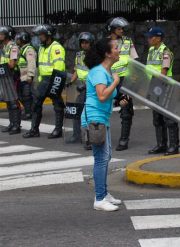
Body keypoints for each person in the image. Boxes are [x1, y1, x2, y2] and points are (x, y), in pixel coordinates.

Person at [81, 38, 124, 212]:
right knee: (101, 159)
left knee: (106, 157)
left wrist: (121, 101)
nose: (118, 50)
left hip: (101, 118)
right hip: (94, 119)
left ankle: (104, 194)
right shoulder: (100, 72)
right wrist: (115, 81)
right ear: (107, 53)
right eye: (115, 48)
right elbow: (101, 96)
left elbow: (107, 97)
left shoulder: (105, 71)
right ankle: (99, 199)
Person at [23, 24, 66, 139]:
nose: (39, 37)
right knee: (36, 104)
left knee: (57, 105)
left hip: (53, 79)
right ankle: (34, 129)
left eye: (41, 34)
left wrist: (55, 83)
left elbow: (59, 67)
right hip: (44, 80)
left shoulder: (56, 47)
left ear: (48, 35)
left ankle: (58, 130)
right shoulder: (42, 47)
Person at [106, 17, 139, 151]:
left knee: (126, 111)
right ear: (113, 29)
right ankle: (97, 138)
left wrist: (133, 80)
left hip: (125, 80)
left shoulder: (128, 41)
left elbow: (134, 59)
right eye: (119, 28)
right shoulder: (105, 43)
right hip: (109, 80)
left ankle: (124, 140)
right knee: (102, 109)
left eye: (122, 29)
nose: (121, 31)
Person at [145, 26, 180, 156]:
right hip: (155, 87)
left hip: (164, 87)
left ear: (158, 38)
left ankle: (174, 145)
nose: (148, 39)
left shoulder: (166, 52)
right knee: (157, 119)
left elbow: (163, 73)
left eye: (151, 37)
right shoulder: (151, 51)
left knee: (169, 118)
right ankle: (161, 144)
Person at [66, 32, 94, 150]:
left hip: (91, 87)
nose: (84, 45)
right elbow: (77, 70)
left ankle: (89, 137)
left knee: (87, 113)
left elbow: (95, 72)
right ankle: (77, 135)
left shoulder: (95, 56)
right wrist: (71, 81)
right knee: (76, 110)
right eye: (82, 42)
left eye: (86, 42)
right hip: (80, 86)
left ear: (91, 43)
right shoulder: (79, 55)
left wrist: (87, 85)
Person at [0, 25, 21, 135]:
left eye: (1, 34)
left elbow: (12, 64)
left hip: (12, 76)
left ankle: (16, 125)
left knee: (13, 101)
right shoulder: (4, 47)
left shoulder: (13, 47)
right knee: (8, 101)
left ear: (7, 35)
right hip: (5, 75)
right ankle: (12, 123)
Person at [14, 31, 36, 121]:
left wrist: (30, 75)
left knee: (26, 96)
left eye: (18, 39)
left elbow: (31, 63)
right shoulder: (22, 49)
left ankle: (28, 113)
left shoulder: (29, 49)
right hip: (21, 76)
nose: (17, 40)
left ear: (23, 39)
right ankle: (30, 110)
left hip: (26, 76)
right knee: (20, 95)